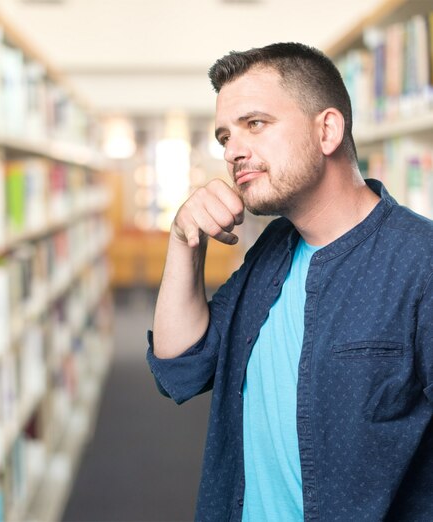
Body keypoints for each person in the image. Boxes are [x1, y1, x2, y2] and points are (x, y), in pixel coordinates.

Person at [147, 42, 433, 522]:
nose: (234, 151)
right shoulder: (274, 248)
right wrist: (183, 241)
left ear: (327, 130)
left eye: (254, 124)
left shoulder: (420, 261)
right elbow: (180, 366)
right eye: (224, 137)